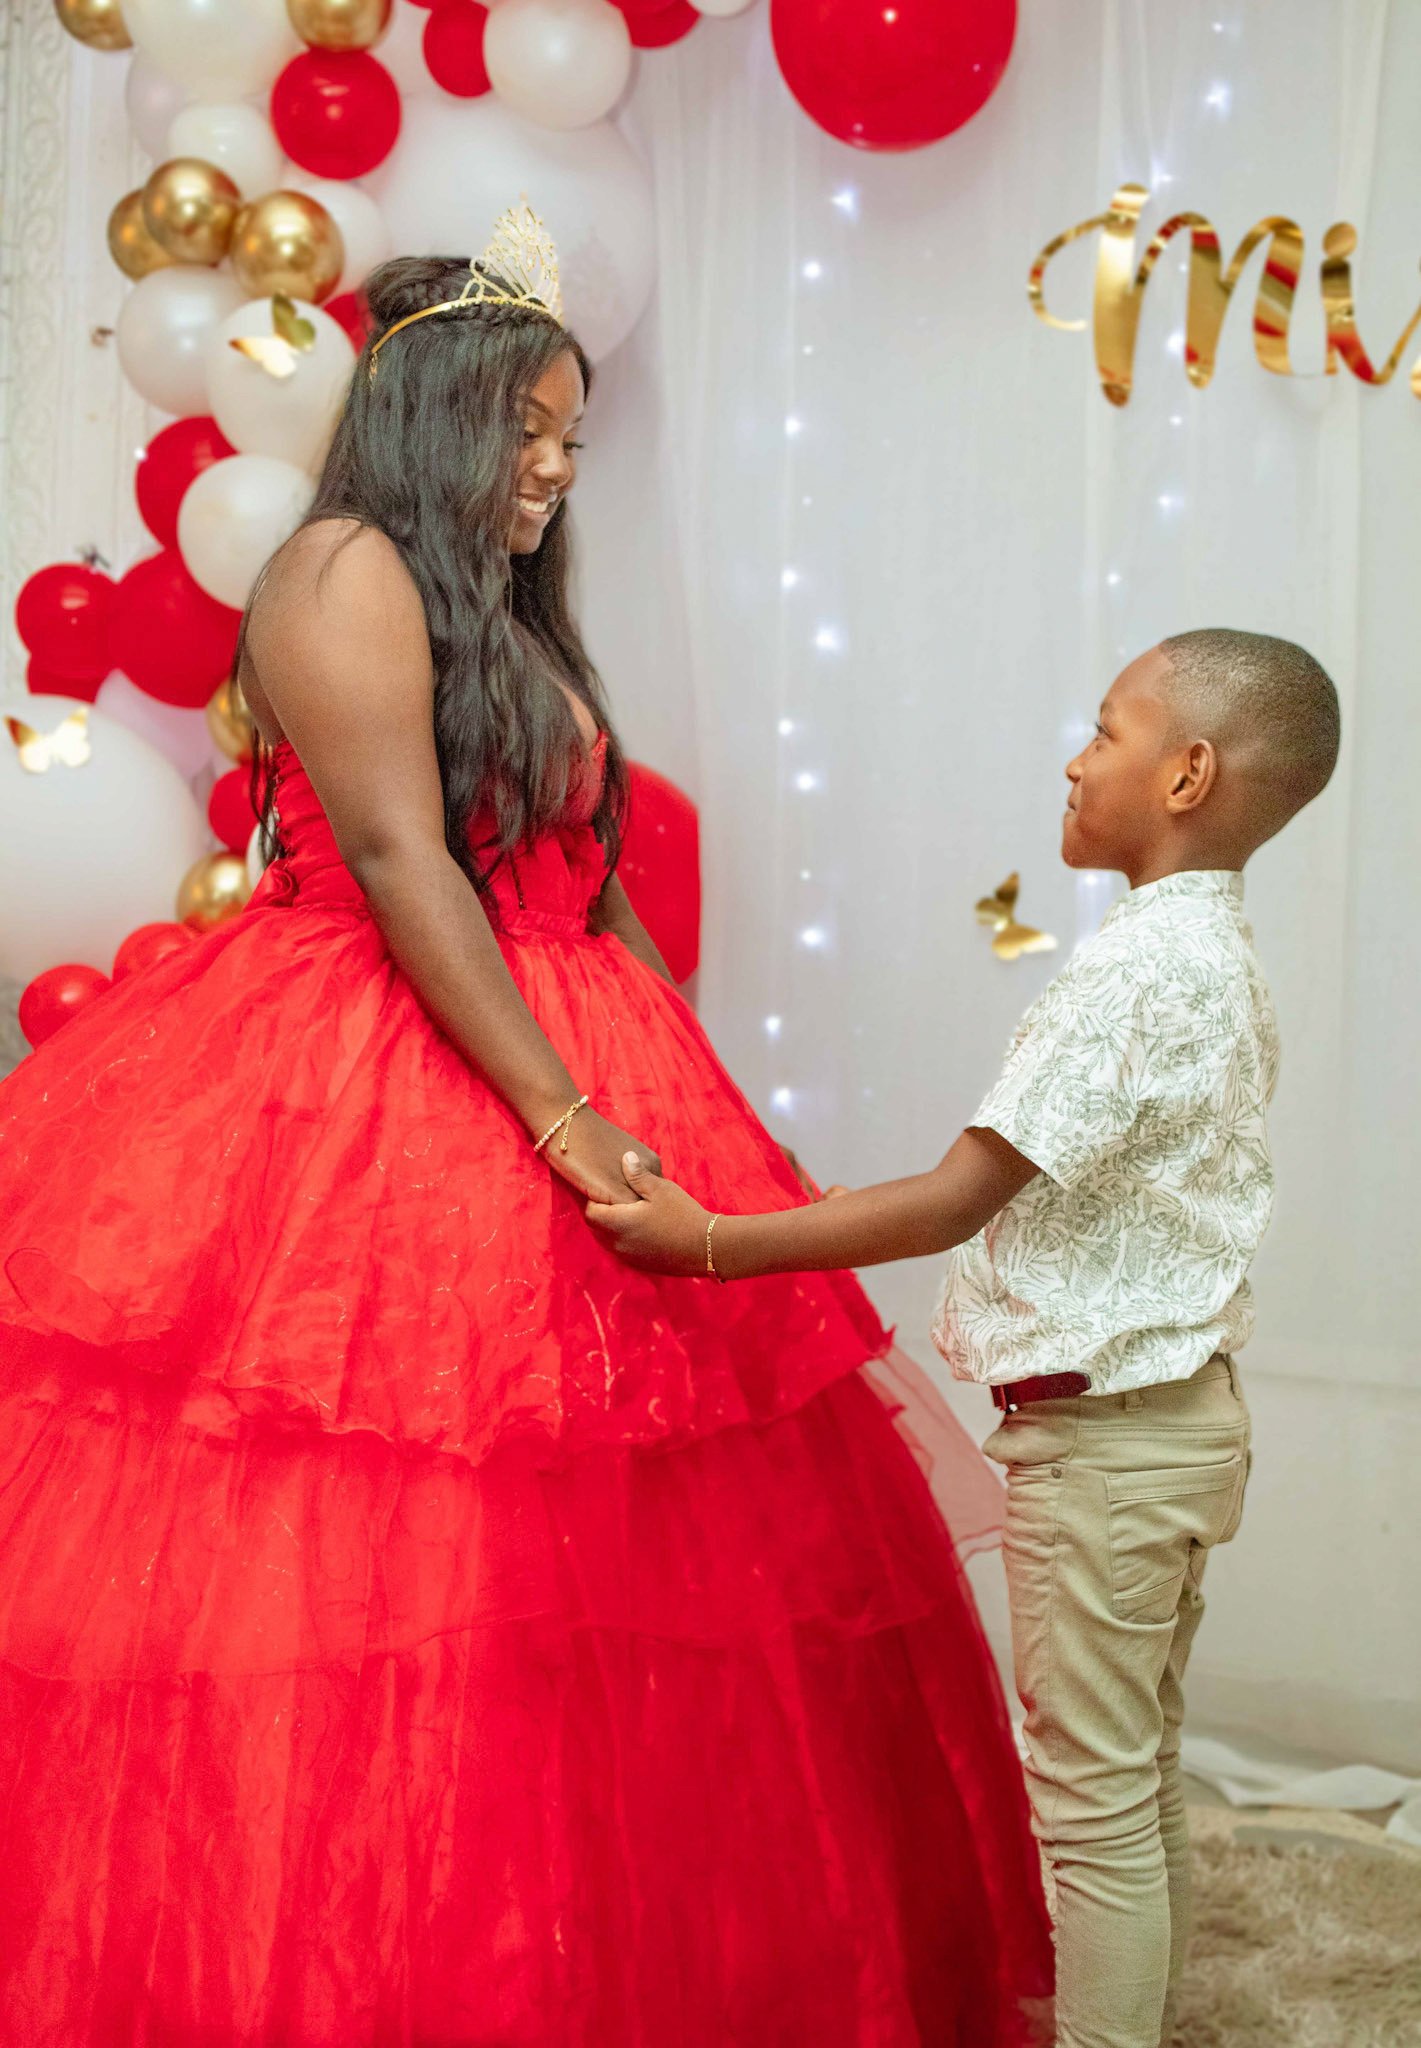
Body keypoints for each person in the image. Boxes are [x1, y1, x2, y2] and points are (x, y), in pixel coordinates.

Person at [0, 207, 1053, 2044]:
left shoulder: (500, 608)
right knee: (378, 1485)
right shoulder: (339, 567)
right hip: (377, 1057)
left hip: (558, 1024)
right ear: (441, 422)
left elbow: (588, 873)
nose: (560, 470)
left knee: (625, 1527)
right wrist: (562, 1119)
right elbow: (399, 859)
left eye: (574, 436)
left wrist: (687, 1094)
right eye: (532, 431)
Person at [593, 628, 1341, 2048]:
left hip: (1108, 1453)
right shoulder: (1210, 953)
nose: (1075, 759)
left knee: (1092, 1805)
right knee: (1137, 1772)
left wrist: (712, 1240)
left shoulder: (1133, 974)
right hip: (1181, 1430)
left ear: (1186, 775)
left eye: (1105, 731)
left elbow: (953, 1199)